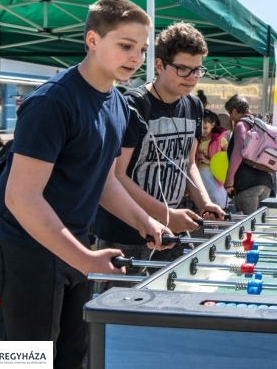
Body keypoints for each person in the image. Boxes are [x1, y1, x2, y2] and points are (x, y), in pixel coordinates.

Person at [0, 0, 170, 368]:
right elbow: (22, 197)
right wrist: (83, 258)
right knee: (21, 360)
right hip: (20, 246)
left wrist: (143, 221)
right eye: (126, 45)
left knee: (70, 355)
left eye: (142, 49)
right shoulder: (52, 102)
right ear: (92, 40)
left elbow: (101, 180)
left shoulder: (116, 102)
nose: (136, 57)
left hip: (71, 243)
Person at [93, 21, 225, 282]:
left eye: (198, 70)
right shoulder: (133, 105)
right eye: (183, 69)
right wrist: (165, 214)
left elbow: (188, 164)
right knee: (121, 312)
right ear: (160, 65)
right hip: (126, 228)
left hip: (170, 228)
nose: (192, 77)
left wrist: (203, 201)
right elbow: (117, 177)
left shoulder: (195, 106)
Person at [225, 94, 273, 214]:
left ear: (235, 111)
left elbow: (238, 151)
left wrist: (229, 179)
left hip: (247, 183)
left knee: (247, 225)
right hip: (265, 181)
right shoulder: (258, 123)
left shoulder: (241, 125)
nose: (230, 117)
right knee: (260, 224)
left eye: (230, 113)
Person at [197, 109, 229, 210]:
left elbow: (227, 156)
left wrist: (208, 161)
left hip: (214, 175)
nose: (203, 130)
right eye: (200, 128)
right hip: (200, 174)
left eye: (205, 128)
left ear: (213, 124)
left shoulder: (219, 139)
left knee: (215, 200)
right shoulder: (197, 139)